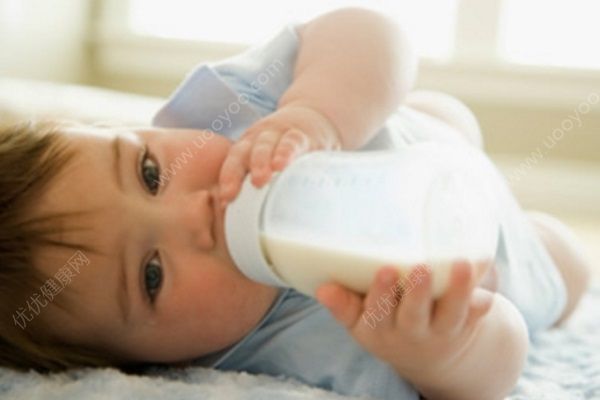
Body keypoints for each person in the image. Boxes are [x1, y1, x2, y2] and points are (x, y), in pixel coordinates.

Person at [0, 7, 591, 400]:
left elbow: (366, 30)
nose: (196, 214)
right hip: (493, 248)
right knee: (569, 270)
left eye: (150, 172)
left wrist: (316, 113)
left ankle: (454, 135)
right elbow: (502, 355)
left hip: (425, 144)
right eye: (152, 276)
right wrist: (447, 351)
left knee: (436, 112)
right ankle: (545, 240)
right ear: (142, 365)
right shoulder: (305, 355)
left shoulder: (236, 114)